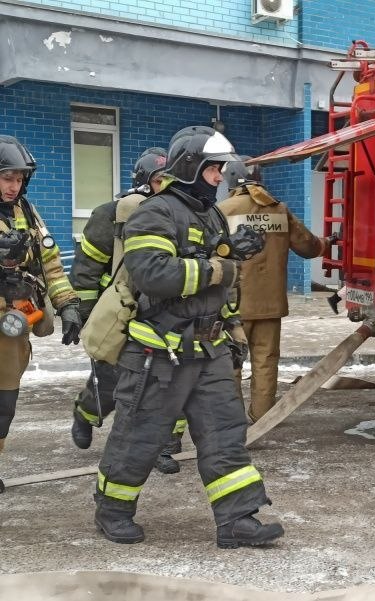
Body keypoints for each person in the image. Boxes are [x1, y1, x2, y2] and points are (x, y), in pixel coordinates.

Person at [93, 126, 283, 548]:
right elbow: (153, 274)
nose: (220, 177)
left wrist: (231, 261)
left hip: (208, 348)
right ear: (191, 167)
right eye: (214, 169)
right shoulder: (153, 212)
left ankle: (237, 519)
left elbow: (217, 284)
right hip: (158, 354)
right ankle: (112, 509)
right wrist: (222, 266)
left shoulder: (209, 214)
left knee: (225, 432)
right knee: (139, 435)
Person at [69, 147, 185, 474]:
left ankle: (162, 446)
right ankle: (86, 412)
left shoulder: (184, 215)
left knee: (169, 381)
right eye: (161, 179)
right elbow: (86, 269)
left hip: (165, 314)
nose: (167, 186)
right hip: (120, 311)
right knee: (111, 381)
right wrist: (85, 314)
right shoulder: (112, 214)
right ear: (144, 182)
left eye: (172, 180)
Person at [218, 159, 336, 422]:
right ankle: (263, 419)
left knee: (230, 365)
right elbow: (309, 247)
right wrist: (328, 242)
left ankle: (231, 423)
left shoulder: (221, 211)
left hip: (233, 306)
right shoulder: (279, 210)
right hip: (270, 304)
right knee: (266, 361)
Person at [0, 135, 82, 493]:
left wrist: (68, 305)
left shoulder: (28, 212)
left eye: (18, 179)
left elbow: (51, 263)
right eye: (6, 177)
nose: (12, 186)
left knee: (4, 404)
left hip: (13, 325)